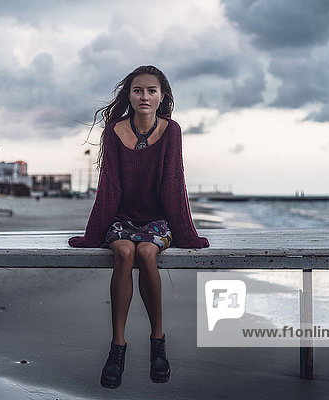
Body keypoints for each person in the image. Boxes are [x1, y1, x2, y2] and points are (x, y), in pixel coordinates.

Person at [69, 65, 209, 389]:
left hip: (157, 221)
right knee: (123, 252)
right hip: (121, 220)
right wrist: (93, 235)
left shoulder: (172, 131)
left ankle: (157, 342)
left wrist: (187, 234)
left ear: (162, 96)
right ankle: (117, 347)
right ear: (129, 96)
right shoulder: (114, 131)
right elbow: (110, 188)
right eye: (138, 90)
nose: (144, 96)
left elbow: (173, 185)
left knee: (146, 252)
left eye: (151, 91)